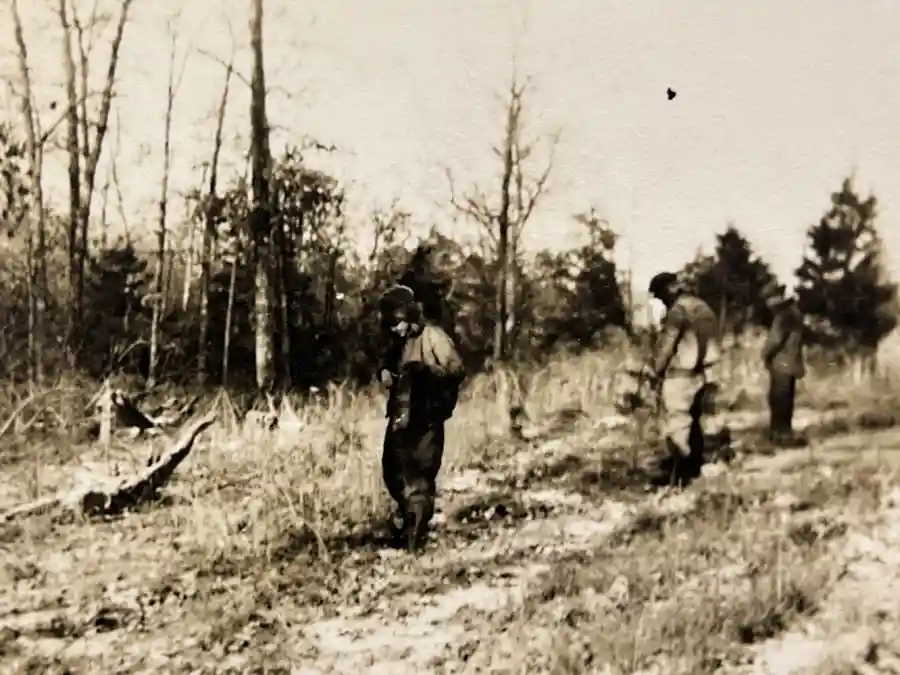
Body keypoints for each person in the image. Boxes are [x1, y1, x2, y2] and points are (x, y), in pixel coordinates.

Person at [377, 284, 466, 552]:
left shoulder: (434, 337)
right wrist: (384, 372)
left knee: (421, 477)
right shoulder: (398, 342)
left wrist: (426, 371)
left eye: (399, 323)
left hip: (427, 416)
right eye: (391, 326)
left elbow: (457, 370)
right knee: (393, 472)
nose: (396, 329)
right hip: (402, 416)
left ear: (411, 315)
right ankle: (409, 526)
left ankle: (415, 541)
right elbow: (386, 364)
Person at [640, 272, 721, 463]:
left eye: (661, 296)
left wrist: (653, 370)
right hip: (705, 373)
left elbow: (666, 346)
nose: (662, 301)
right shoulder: (704, 307)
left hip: (681, 376)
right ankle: (695, 467)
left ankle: (681, 474)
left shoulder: (678, 311)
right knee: (697, 423)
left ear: (669, 289)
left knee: (678, 426)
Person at [762, 283, 808, 447]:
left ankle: (779, 434)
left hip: (781, 364)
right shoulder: (795, 313)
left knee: (778, 400)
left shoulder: (783, 316)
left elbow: (775, 340)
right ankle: (784, 433)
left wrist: (765, 354)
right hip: (792, 363)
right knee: (786, 400)